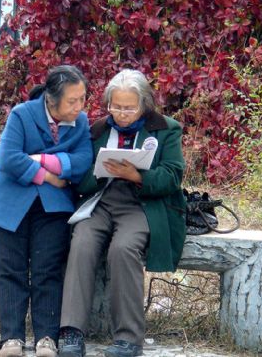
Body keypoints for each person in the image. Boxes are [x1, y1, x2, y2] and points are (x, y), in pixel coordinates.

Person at [59, 69, 186, 357]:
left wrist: (137, 175)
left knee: (124, 248)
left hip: (142, 205)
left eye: (129, 107)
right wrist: (101, 172)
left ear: (144, 104)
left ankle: (128, 338)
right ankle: (71, 331)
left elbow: (172, 176)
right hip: (102, 202)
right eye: (116, 106)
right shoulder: (98, 130)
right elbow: (80, 178)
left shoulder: (166, 129)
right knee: (81, 242)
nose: (122, 113)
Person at [0, 65, 93, 357]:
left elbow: (84, 161)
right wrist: (49, 176)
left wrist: (43, 159)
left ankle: (46, 337)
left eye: (82, 98)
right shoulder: (22, 114)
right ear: (51, 99)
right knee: (11, 269)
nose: (79, 106)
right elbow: (8, 158)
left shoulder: (80, 122)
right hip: (10, 202)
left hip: (53, 206)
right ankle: (11, 338)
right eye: (73, 100)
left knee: (48, 270)